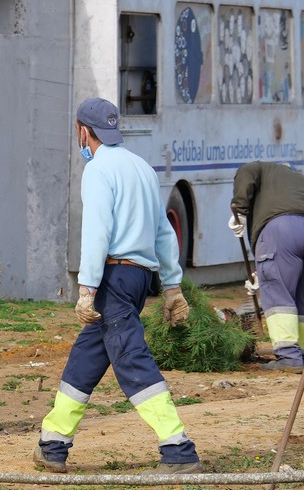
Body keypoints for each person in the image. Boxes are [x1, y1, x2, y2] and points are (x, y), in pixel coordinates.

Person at [34, 98, 201, 475]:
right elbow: (163, 232)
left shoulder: (98, 170)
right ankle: (53, 443)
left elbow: (98, 232)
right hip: (139, 278)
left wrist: (87, 288)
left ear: (83, 132)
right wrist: (172, 287)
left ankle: (178, 448)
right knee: (88, 356)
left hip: (113, 277)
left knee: (129, 356)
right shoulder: (142, 168)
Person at [229, 161, 304, 371]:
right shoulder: (295, 179)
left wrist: (240, 211)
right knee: (302, 293)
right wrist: (260, 273)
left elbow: (247, 171)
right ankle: (303, 352)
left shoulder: (259, 168)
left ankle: (288, 357)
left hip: (284, 228)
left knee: (278, 293)